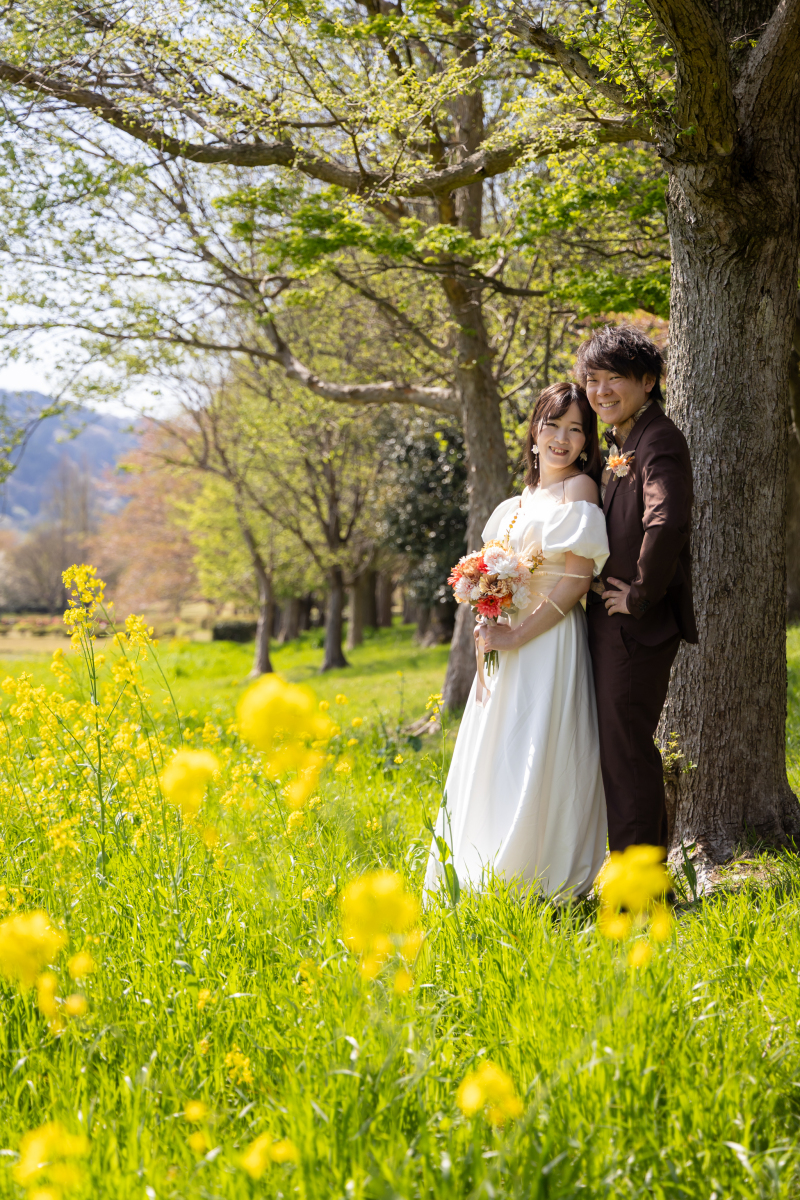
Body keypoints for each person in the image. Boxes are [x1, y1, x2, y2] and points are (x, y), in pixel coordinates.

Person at [424, 382, 610, 901]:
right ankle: (481, 866)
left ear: (587, 443)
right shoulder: (513, 503)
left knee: (540, 748)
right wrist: (490, 621)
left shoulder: (580, 491)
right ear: (534, 430)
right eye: (554, 424)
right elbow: (494, 580)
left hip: (548, 640)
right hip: (504, 641)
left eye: (577, 429)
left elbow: (574, 583)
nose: (563, 439)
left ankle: (538, 875)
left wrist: (517, 632)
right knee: (498, 750)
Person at [578, 325, 697, 853]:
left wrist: (640, 594)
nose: (600, 390)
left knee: (627, 753)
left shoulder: (659, 438)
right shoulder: (622, 442)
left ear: (648, 381)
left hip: (635, 627)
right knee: (619, 751)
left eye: (614, 379)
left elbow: (667, 521)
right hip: (611, 626)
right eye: (592, 379)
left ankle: (642, 888)